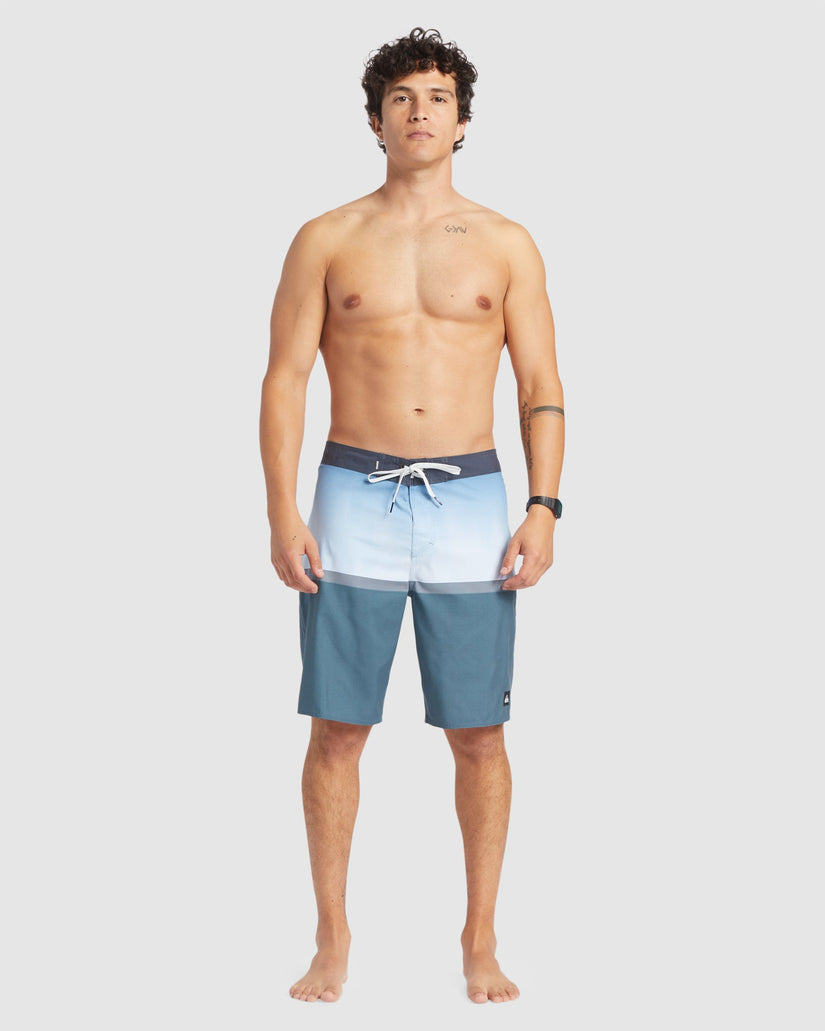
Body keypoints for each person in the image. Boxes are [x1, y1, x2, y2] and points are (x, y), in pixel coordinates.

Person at [260, 27, 564, 1005]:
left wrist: (544, 506)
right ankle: (332, 936)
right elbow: (285, 377)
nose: (420, 111)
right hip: (351, 495)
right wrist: (281, 508)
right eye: (401, 98)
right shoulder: (327, 237)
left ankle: (480, 936)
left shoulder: (507, 243)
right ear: (377, 121)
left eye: (437, 97)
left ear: (461, 121)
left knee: (478, 730)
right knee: (337, 727)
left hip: (472, 501)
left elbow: (541, 386)